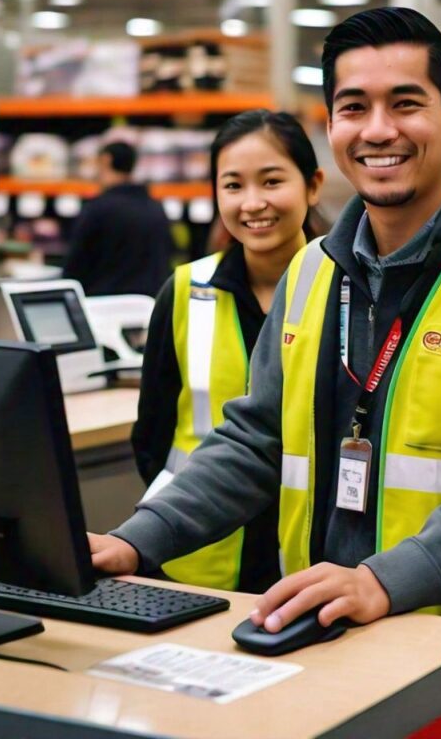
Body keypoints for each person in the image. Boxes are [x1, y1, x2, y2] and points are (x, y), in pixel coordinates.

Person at [90, 7, 441, 738]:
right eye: (354, 107)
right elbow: (254, 441)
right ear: (332, 126)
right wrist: (138, 539)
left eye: (406, 103)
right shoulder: (313, 272)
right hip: (329, 636)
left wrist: (383, 581)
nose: (378, 129)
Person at [131, 110, 324, 592]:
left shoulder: (347, 292)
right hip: (196, 554)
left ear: (313, 185)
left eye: (272, 181)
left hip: (309, 559)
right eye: (233, 186)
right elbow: (152, 433)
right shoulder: (183, 292)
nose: (252, 203)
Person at [61, 141, 174, 297]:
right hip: (148, 305)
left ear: (106, 160)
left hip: (103, 307)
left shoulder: (97, 209)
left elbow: (75, 266)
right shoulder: (156, 208)